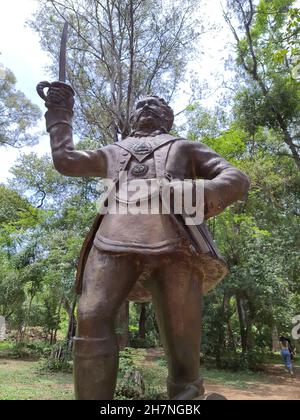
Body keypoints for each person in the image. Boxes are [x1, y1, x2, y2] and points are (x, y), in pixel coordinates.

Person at [38, 80, 250, 400]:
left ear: (168, 117)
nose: (146, 108)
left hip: (177, 242)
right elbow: (66, 160)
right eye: (140, 106)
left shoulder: (185, 147)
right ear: (133, 118)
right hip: (113, 237)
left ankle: (187, 399)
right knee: (91, 314)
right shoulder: (114, 151)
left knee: (182, 346)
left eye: (156, 105)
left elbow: (236, 178)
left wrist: (193, 193)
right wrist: (59, 113)